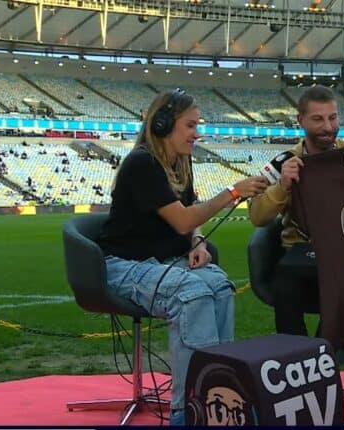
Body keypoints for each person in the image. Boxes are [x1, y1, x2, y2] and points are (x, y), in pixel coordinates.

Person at [97, 89, 268, 426]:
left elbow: (191, 217)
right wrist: (233, 192)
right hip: (124, 265)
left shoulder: (179, 161)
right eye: (190, 125)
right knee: (193, 294)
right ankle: (187, 411)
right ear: (162, 125)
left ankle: (221, 394)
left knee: (220, 286)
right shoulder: (142, 163)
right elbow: (183, 219)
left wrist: (198, 241)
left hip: (162, 263)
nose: (196, 133)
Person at [248, 86, 344, 343]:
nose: (328, 127)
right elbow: (257, 217)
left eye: (333, 117)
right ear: (300, 120)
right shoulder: (282, 163)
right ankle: (295, 353)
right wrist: (283, 186)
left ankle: (325, 352)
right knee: (285, 283)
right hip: (298, 258)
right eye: (318, 119)